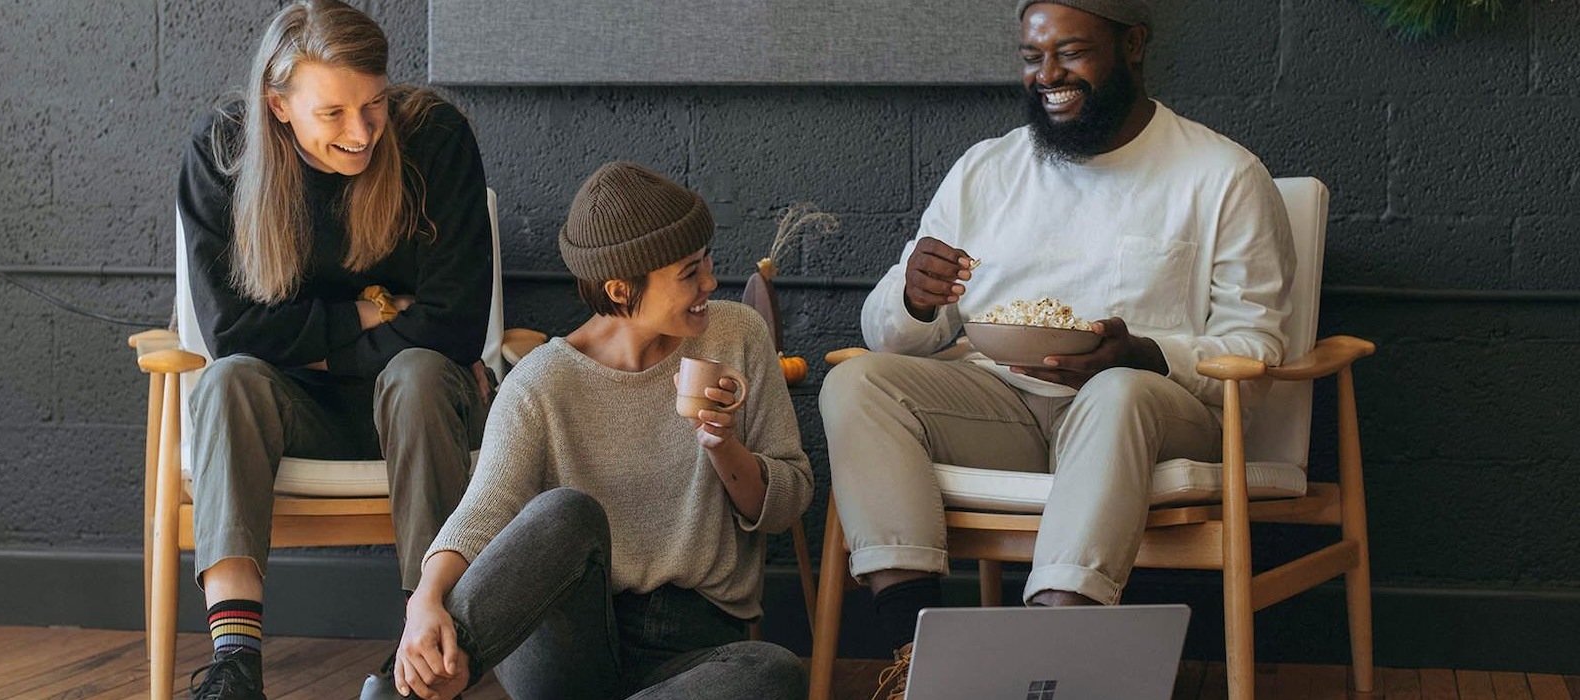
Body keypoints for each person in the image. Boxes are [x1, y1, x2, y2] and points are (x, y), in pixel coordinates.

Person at [818, 0, 1296, 696]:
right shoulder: (986, 170)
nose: (1048, 76)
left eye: (1071, 53)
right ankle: (917, 662)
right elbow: (889, 336)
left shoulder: (1222, 175)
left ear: (1133, 45)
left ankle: (1048, 664)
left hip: (1154, 415)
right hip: (1004, 406)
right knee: (857, 383)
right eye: (1032, 57)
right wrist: (916, 297)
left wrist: (1145, 354)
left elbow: (1258, 349)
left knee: (1118, 391)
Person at [361, 161, 812, 700]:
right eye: (689, 273)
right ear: (620, 289)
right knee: (564, 512)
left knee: (775, 673)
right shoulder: (540, 384)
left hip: (694, 646)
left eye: (706, 260)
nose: (710, 283)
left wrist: (724, 446)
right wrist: (424, 601)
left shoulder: (737, 335)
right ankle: (411, 691)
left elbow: (786, 505)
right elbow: (483, 511)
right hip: (565, 644)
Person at [175, 1, 493, 697]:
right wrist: (372, 310)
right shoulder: (222, 152)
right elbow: (233, 332)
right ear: (279, 106)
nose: (361, 132)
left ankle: (425, 641)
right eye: (333, 113)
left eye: (374, 105)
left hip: (424, 410)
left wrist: (311, 344)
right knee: (228, 382)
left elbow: (455, 326)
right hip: (297, 413)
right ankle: (234, 664)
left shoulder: (435, 138)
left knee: (417, 374)